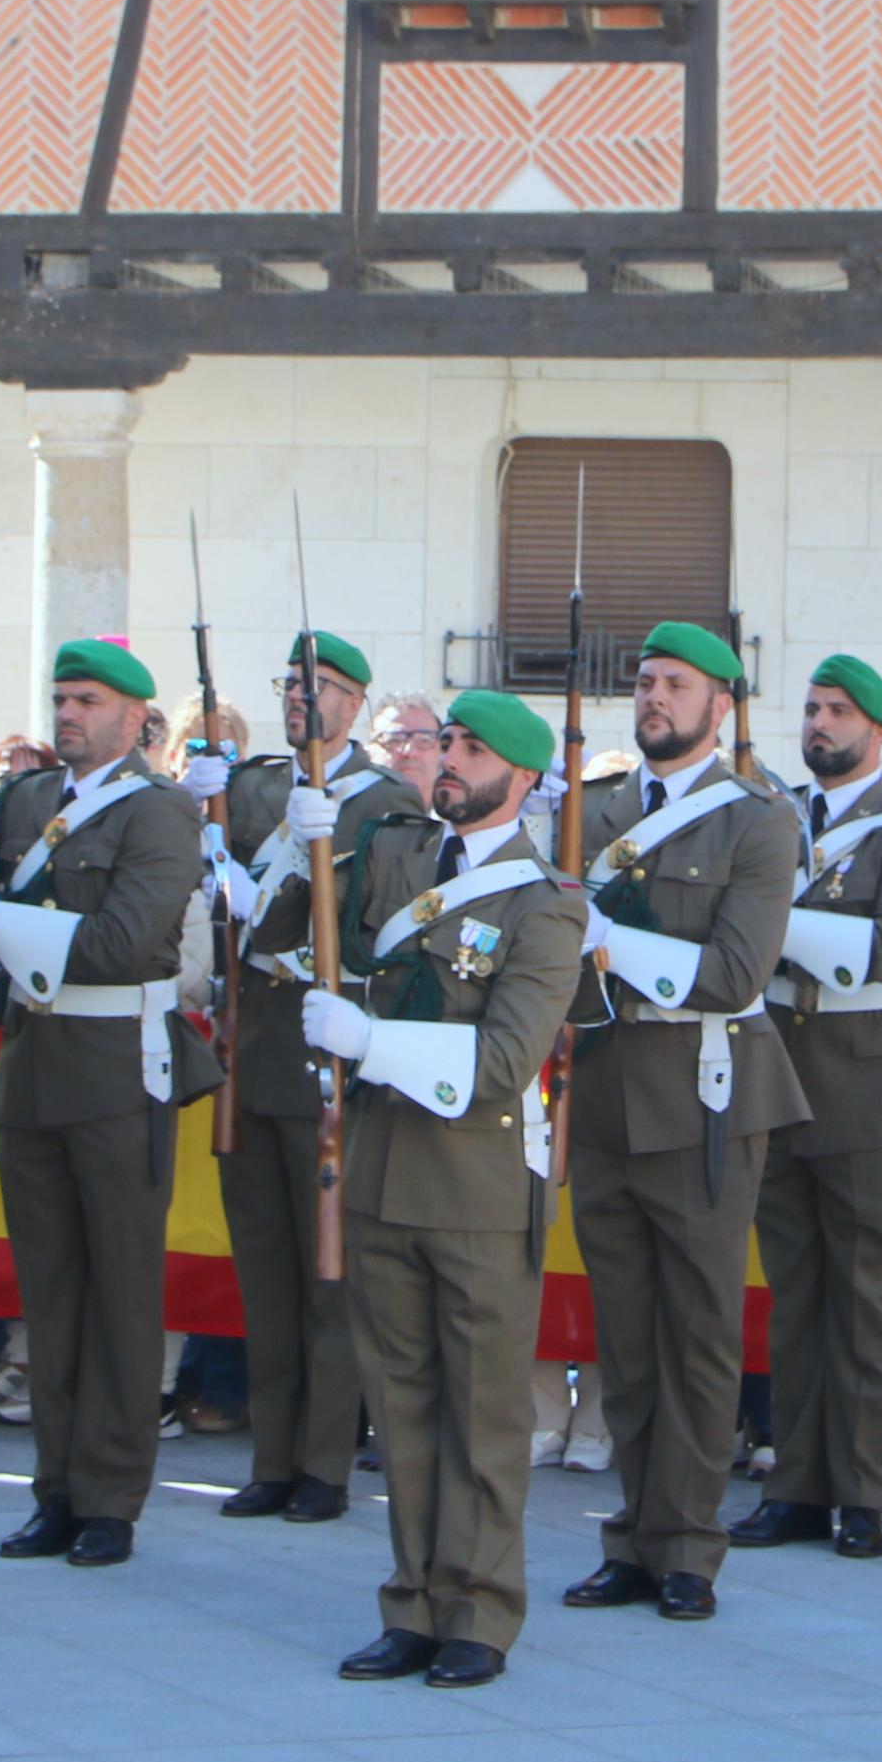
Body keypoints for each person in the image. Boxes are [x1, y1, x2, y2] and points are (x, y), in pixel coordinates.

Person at [298, 690, 590, 1688]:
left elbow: (506, 1059)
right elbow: (309, 933)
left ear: (523, 777)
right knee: (403, 1405)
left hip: (472, 1182)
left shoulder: (545, 899)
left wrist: (371, 1042)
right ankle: (412, 1603)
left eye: (472, 749)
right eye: (448, 744)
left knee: (480, 1413)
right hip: (382, 1170)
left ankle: (480, 1611)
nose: (452, 761)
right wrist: (302, 843)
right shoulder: (397, 853)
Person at [557, 622, 809, 1626]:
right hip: (610, 1088)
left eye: (675, 684)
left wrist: (610, 943)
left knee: (698, 1331)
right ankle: (632, 1532)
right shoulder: (596, 807)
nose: (653, 696)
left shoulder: (756, 819)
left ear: (721, 705)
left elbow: (737, 973)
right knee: (625, 1334)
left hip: (705, 1092)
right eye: (645, 681)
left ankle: (689, 1547)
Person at [0, 635, 210, 1574]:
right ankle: (54, 1487)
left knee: (118, 1290)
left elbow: (116, 942)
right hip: (34, 1060)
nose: (68, 713)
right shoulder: (26, 799)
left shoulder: (160, 811)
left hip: (116, 1062)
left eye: (90, 701)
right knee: (51, 1295)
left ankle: (110, 1495)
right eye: (61, 699)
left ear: (137, 720)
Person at [737, 654, 882, 1558]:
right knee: (795, 1297)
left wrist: (762, 919)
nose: (819, 723)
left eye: (836, 711)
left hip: (868, 1080)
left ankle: (861, 1491)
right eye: (811, 708)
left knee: (863, 1295)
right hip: (778, 1070)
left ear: (878, 730)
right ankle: (796, 1483)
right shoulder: (768, 815)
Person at [203, 628, 421, 1525]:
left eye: (322, 686)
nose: (303, 698)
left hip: (323, 1055)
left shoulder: (389, 803)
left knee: (328, 1274)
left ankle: (325, 1462)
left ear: (355, 704)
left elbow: (393, 939)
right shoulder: (254, 787)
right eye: (292, 683)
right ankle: (272, 1455)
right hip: (250, 1053)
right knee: (265, 1267)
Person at [368, 692, 447, 803]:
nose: (410, 752)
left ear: (441, 754)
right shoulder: (343, 816)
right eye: (394, 740)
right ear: (369, 752)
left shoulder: (458, 818)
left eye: (424, 740)